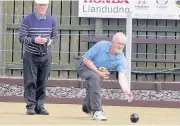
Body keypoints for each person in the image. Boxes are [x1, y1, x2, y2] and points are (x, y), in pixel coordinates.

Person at [76, 32, 133, 121]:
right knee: (95, 77)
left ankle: (87, 107)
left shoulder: (121, 59)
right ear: (112, 42)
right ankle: (97, 111)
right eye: (118, 43)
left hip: (96, 71)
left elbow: (122, 76)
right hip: (83, 65)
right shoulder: (101, 45)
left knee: (94, 81)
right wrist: (98, 72)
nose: (120, 46)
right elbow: (86, 60)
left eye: (123, 44)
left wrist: (127, 91)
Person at [19, 0, 58, 115]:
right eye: (40, 5)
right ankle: (30, 106)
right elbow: (21, 37)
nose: (42, 7)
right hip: (30, 56)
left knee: (43, 82)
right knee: (30, 82)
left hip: (46, 56)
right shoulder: (28, 19)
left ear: (47, 6)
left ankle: (40, 106)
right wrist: (34, 40)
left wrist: (50, 41)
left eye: (44, 5)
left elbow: (55, 36)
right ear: (36, 5)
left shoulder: (52, 20)